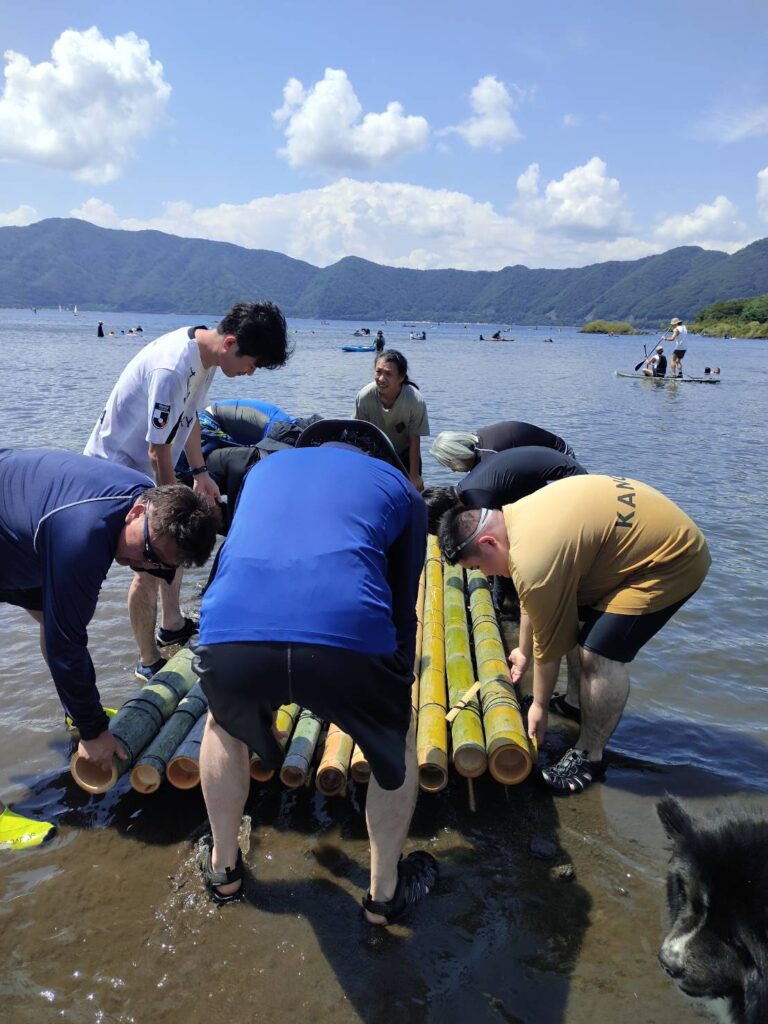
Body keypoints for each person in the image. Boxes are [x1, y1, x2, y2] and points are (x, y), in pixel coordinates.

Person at [194, 419, 437, 921]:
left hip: (233, 634)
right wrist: (393, 691)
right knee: (398, 742)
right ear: (381, 456)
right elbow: (402, 602)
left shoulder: (263, 470)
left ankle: (223, 871)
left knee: (222, 724)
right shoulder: (401, 489)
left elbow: (231, 560)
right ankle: (383, 896)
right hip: (344, 638)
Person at [436, 474, 710, 795]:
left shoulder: (533, 558)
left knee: (598, 653)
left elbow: (548, 650)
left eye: (479, 567)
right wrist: (522, 652)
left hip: (671, 559)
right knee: (572, 622)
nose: (486, 574)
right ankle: (575, 703)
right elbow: (534, 604)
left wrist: (538, 706)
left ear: (487, 542)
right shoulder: (516, 517)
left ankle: (589, 755)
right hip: (636, 543)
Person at [0, 448, 218, 846]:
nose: (145, 568)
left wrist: (85, 718)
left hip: (20, 540)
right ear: (137, 513)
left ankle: (76, 716)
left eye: (162, 568)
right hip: (18, 535)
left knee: (54, 625)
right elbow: (67, 645)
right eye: (148, 555)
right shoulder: (83, 539)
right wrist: (95, 732)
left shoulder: (144, 501)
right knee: (63, 636)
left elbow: (60, 635)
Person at [84, 301, 290, 683]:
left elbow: (190, 417)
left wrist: (199, 474)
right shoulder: (173, 368)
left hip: (144, 468)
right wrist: (171, 507)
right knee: (151, 560)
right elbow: (156, 449)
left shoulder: (205, 357)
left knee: (173, 545)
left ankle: (173, 623)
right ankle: (147, 662)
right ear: (230, 342)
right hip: (113, 474)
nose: (250, 373)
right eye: (253, 364)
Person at [424, 446, 588, 616]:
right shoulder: (468, 488)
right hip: (561, 477)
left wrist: (495, 606)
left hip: (571, 480)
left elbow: (501, 552)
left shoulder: (479, 498)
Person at [353, 349, 429, 492]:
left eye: (388, 374)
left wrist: (414, 475)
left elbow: (414, 440)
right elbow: (358, 437)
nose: (381, 379)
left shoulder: (414, 400)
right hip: (375, 453)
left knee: (412, 492)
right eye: (378, 372)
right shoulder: (364, 397)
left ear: (401, 377)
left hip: (405, 454)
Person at [431, 419, 576, 473]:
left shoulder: (490, 456)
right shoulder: (476, 442)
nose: (452, 470)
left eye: (450, 464)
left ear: (459, 453)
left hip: (561, 458)